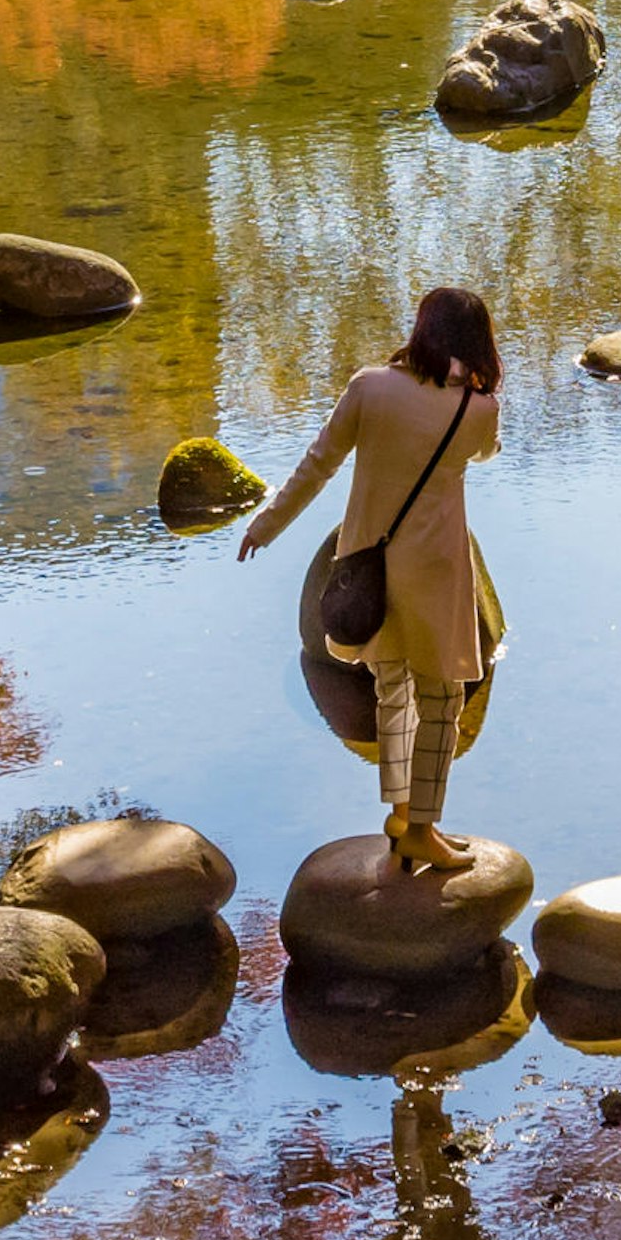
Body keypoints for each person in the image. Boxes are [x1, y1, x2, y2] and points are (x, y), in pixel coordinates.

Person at [241, 286, 504, 872]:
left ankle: (400, 810)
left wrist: (267, 525)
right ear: (477, 340)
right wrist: (474, 392)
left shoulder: (369, 387)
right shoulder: (477, 408)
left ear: (421, 331)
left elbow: (318, 463)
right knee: (441, 700)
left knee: (391, 689)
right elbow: (487, 453)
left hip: (368, 568)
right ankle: (422, 828)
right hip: (435, 571)